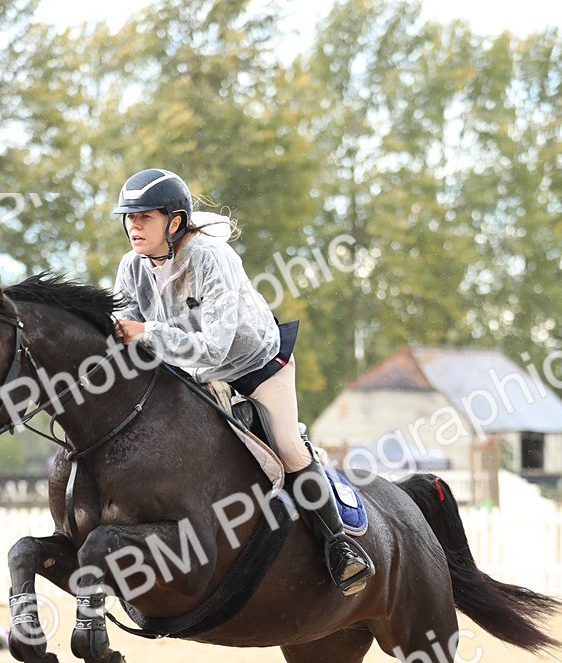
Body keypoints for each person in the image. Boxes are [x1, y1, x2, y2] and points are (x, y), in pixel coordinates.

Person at [111, 167, 374, 595]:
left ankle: (340, 549)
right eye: (129, 217)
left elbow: (213, 348)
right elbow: (122, 326)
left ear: (174, 222)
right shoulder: (133, 267)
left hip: (255, 363)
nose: (133, 226)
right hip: (191, 369)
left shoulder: (213, 258)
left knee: (286, 445)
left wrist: (145, 334)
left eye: (144, 217)